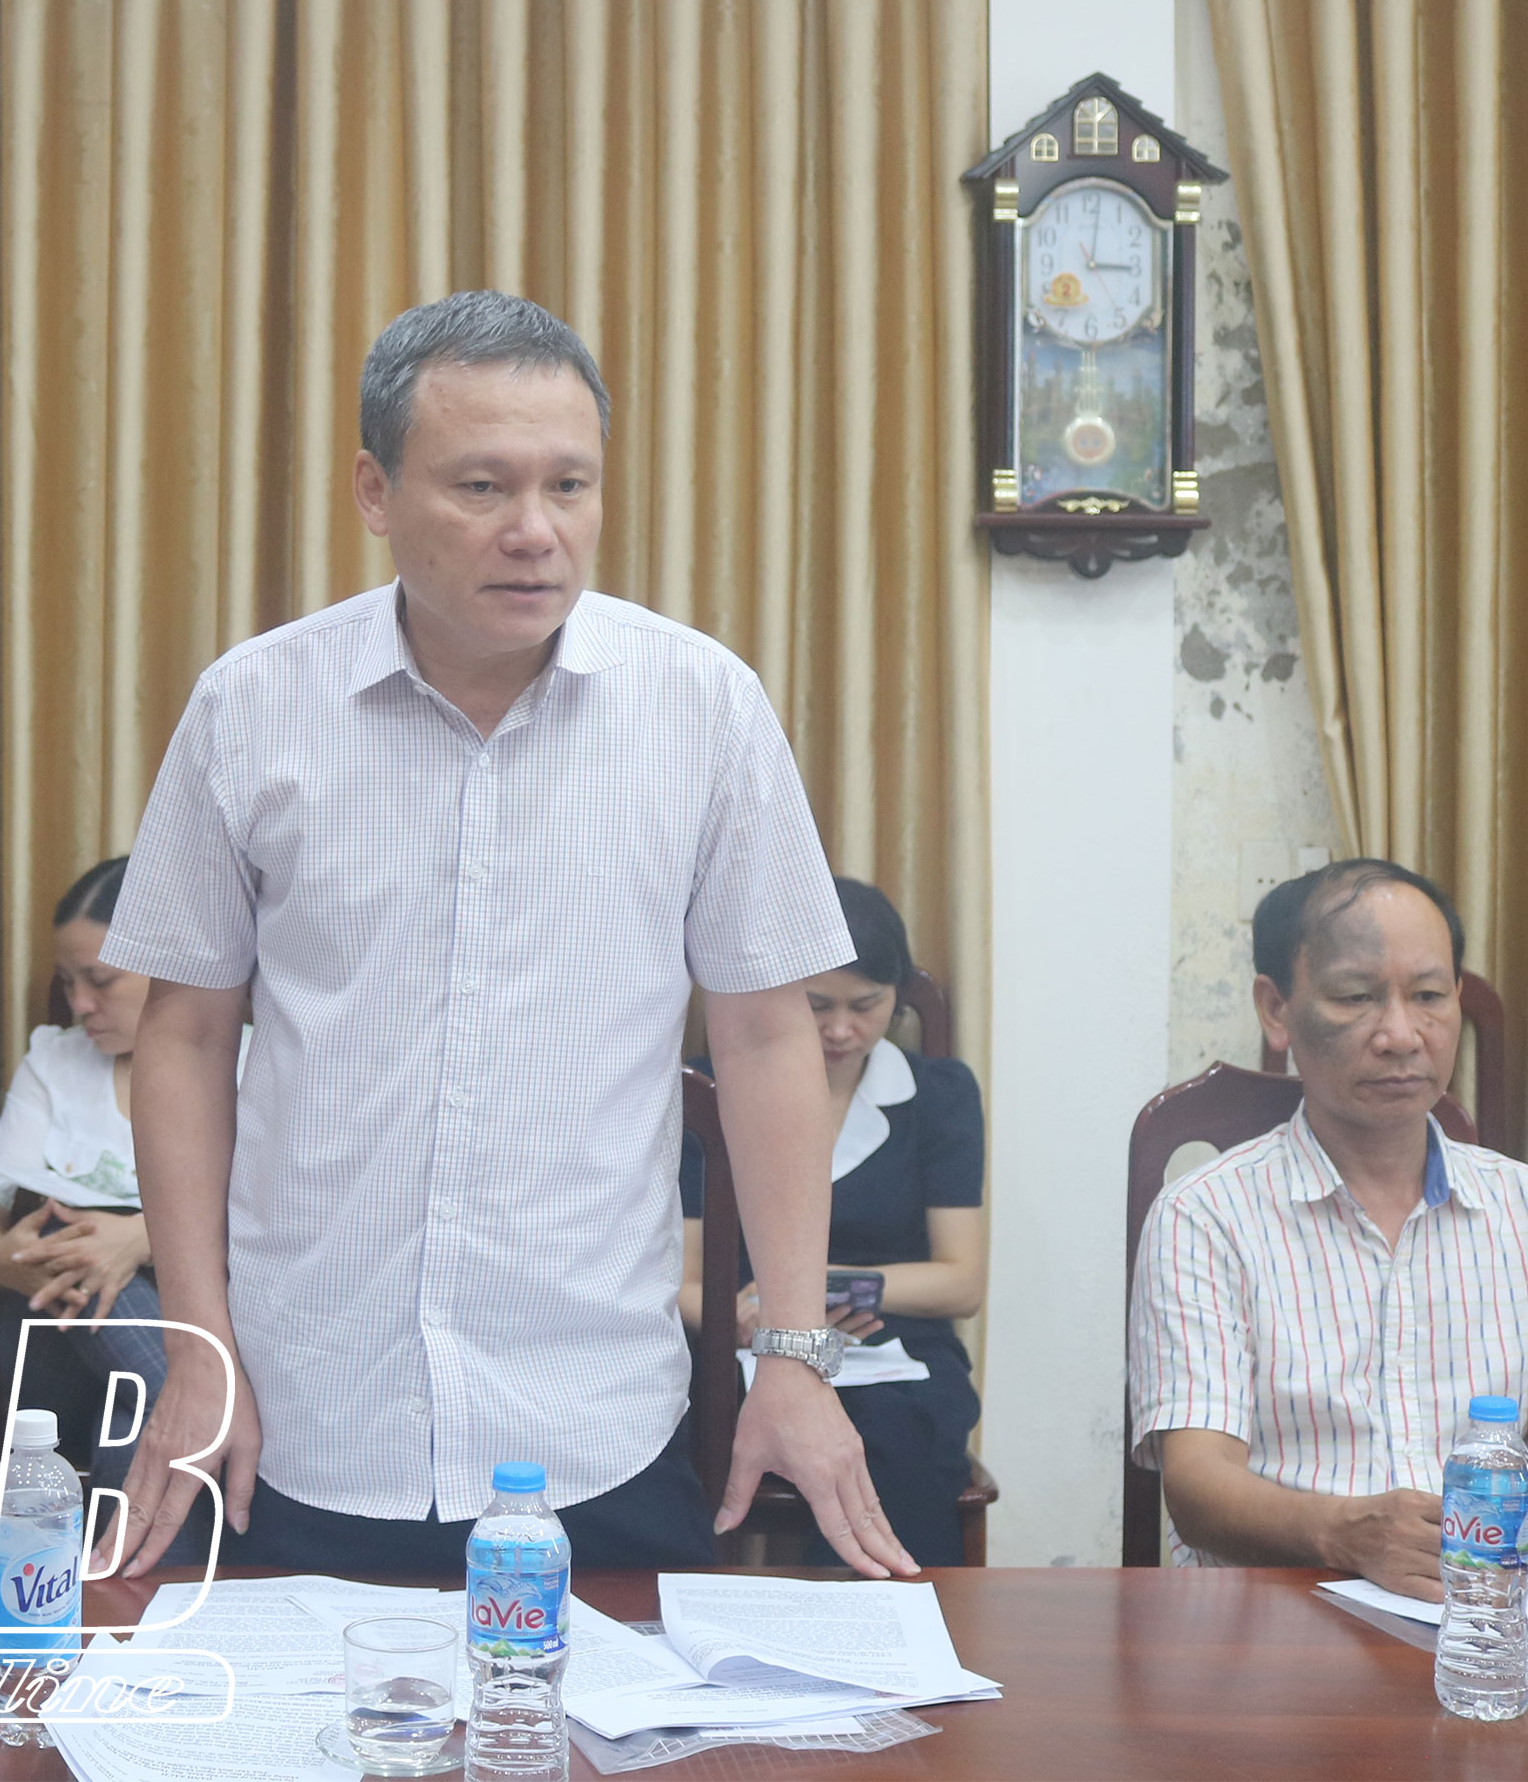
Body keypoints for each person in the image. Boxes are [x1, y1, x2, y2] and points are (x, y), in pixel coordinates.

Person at [95, 289, 915, 1579]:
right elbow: (185, 1039)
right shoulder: (254, 707)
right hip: (307, 1415)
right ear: (375, 492)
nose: (536, 532)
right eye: (481, 486)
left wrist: (795, 1357)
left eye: (569, 486)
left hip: (594, 1421)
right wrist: (200, 1349)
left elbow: (768, 1040)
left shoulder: (701, 707)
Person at [1128, 859, 1528, 1602]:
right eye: (1356, 997)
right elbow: (1197, 1486)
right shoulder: (1205, 1215)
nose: (1401, 1034)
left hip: (1482, 1625)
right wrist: (1339, 1532)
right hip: (1273, 1621)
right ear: (1276, 1010)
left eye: (1430, 996)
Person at [679, 877, 985, 1568]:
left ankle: (893, 1612)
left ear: (897, 996)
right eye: (817, 1007)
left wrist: (821, 1288)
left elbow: (961, 1281)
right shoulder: (708, 1092)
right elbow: (680, 1282)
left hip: (890, 1344)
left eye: (866, 1005)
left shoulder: (939, 1096)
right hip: (740, 1343)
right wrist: (747, 1318)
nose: (842, 1030)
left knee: (899, 1430)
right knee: (688, 1428)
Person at [0, 855, 216, 1562]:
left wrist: (137, 1239)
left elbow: (269, 1219)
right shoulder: (55, 1060)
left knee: (136, 1411)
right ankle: (131, 1586)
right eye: (67, 982)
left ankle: (101, 1590)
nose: (78, 1004)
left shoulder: (239, 1061)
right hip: (59, 1335)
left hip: (189, 1315)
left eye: (99, 981)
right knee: (58, 1229)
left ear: (166, 966)